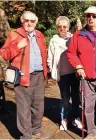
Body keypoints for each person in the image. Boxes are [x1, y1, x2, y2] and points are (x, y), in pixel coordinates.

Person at [66, 6, 96, 139]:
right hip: (86, 78)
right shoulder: (78, 35)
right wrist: (78, 66)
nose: (91, 18)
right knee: (88, 107)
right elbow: (71, 53)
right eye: (88, 16)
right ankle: (91, 132)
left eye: (94, 16)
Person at [0, 11, 48, 139]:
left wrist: (46, 72)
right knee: (23, 108)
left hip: (39, 76)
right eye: (27, 20)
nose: (29, 23)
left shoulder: (40, 35)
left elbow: (43, 54)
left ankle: (35, 129)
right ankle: (26, 135)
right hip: (22, 76)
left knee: (38, 106)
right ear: (22, 21)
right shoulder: (15, 35)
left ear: (36, 23)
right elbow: (4, 53)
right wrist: (17, 46)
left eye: (32, 21)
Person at [47, 16, 82, 131]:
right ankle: (64, 119)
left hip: (74, 72)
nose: (62, 28)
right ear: (57, 27)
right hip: (62, 74)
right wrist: (51, 70)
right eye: (60, 26)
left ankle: (76, 118)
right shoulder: (54, 40)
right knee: (65, 98)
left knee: (76, 97)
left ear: (68, 27)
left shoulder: (73, 38)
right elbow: (50, 57)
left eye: (64, 26)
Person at [0, 8, 10, 112]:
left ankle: (2, 104)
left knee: (1, 81)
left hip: (1, 55)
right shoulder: (4, 22)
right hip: (2, 56)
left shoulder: (3, 22)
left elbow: (7, 37)